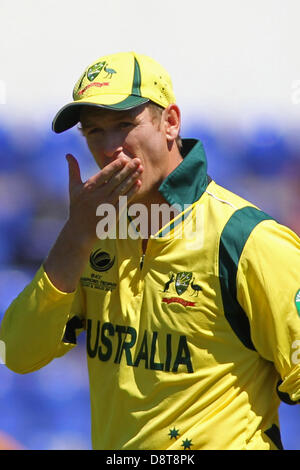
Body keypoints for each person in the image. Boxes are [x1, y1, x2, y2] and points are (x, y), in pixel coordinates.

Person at [1, 51, 300, 451]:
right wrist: (73, 236)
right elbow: (17, 354)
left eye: (125, 124)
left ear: (170, 123)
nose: (110, 148)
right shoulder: (90, 236)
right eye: (94, 132)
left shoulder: (247, 239)